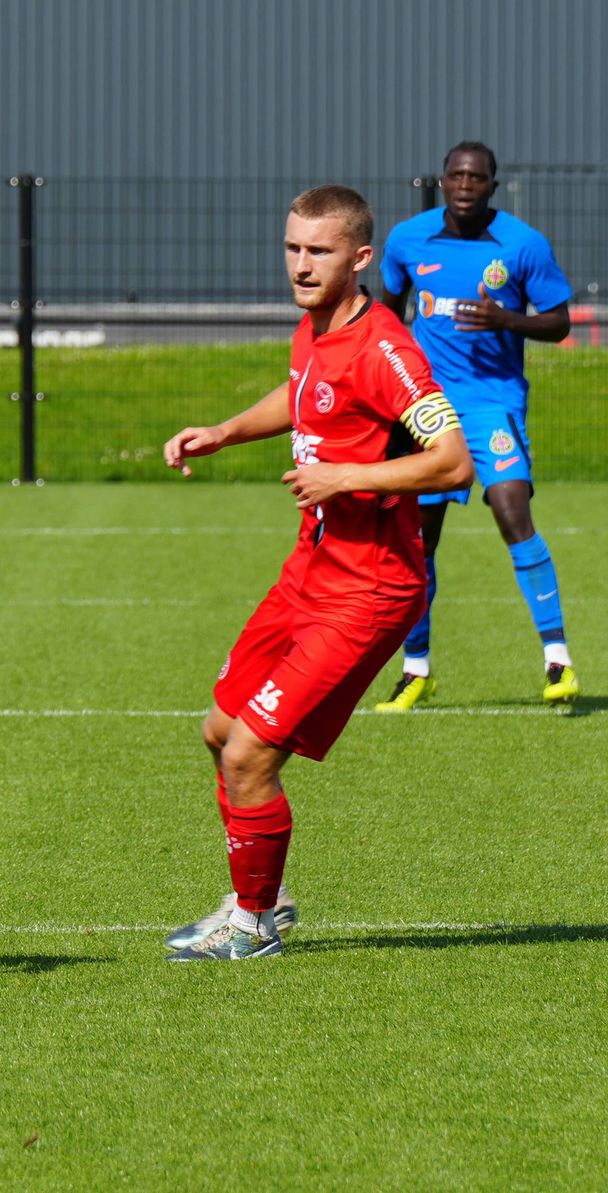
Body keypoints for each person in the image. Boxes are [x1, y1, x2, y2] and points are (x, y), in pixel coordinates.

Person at [161, 185, 472, 961]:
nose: (301, 265)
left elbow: (450, 457)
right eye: (294, 248)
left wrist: (344, 478)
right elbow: (304, 397)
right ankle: (256, 894)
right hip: (312, 565)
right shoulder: (316, 326)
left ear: (360, 258)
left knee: (249, 755)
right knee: (219, 730)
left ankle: (255, 922)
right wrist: (226, 432)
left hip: (370, 586)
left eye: (319, 251)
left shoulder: (385, 349)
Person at [375, 141, 578, 712]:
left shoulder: (522, 245)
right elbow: (388, 318)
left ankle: (557, 659)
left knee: (512, 508)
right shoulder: (407, 239)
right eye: (457, 175)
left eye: (478, 178)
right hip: (428, 407)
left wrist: (505, 319)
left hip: (493, 404)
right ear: (442, 180)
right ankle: (416, 670)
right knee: (421, 536)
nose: (466, 185)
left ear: (492, 185)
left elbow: (559, 322)